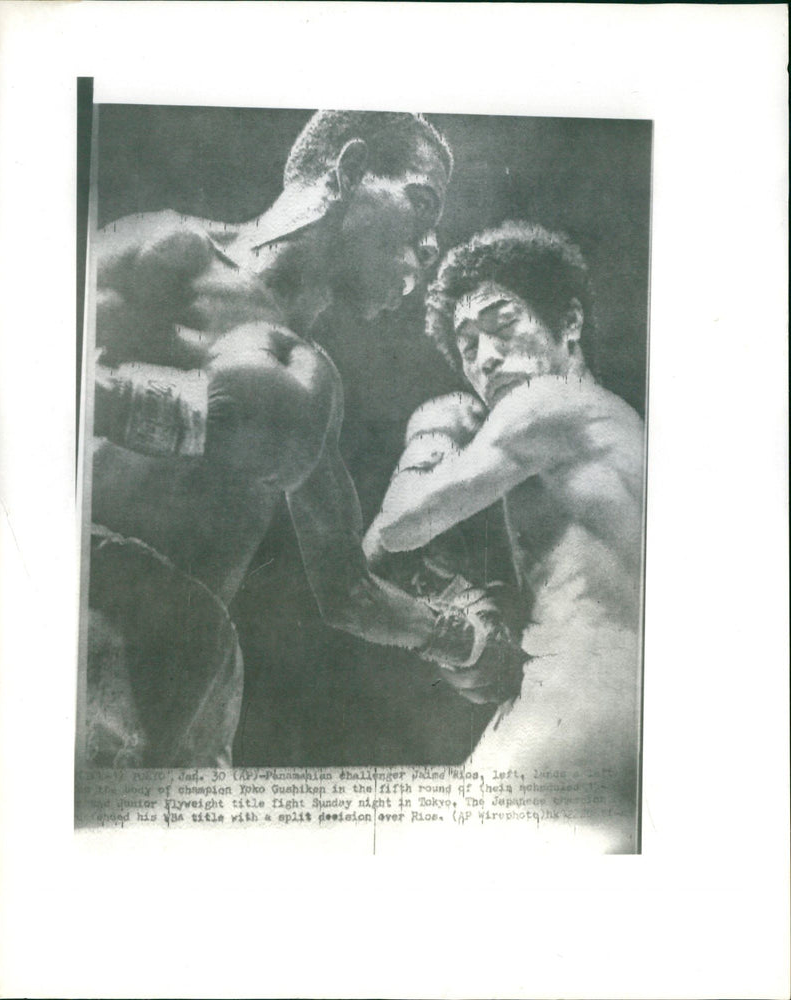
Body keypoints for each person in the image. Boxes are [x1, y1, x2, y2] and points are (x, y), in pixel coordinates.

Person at [84, 111, 524, 768]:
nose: (431, 246)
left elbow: (348, 593)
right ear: (348, 171)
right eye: (420, 202)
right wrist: (183, 413)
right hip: (84, 610)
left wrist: (465, 641)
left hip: (194, 682)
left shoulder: (315, 384)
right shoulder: (166, 249)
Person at [363, 222, 646, 850]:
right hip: (635, 715)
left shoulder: (544, 400)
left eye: (503, 325)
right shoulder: (620, 422)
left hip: (573, 703)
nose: (486, 357)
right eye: (468, 345)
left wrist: (430, 433)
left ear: (568, 322)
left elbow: (396, 531)